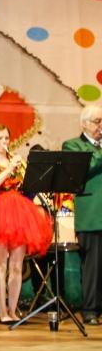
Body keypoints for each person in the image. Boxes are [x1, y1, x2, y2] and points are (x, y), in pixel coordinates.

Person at [0, 124, 53, 324]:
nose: (4, 142)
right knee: (0, 265)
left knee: (17, 266)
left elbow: (29, 192)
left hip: (19, 214)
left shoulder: (16, 161)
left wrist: (26, 173)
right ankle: (2, 311)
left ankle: (13, 310)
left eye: (6, 138)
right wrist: (9, 170)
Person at [62, 105, 102, 325]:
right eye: (97, 121)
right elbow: (86, 167)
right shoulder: (73, 145)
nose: (101, 126)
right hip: (92, 213)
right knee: (92, 265)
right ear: (84, 124)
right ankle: (90, 310)